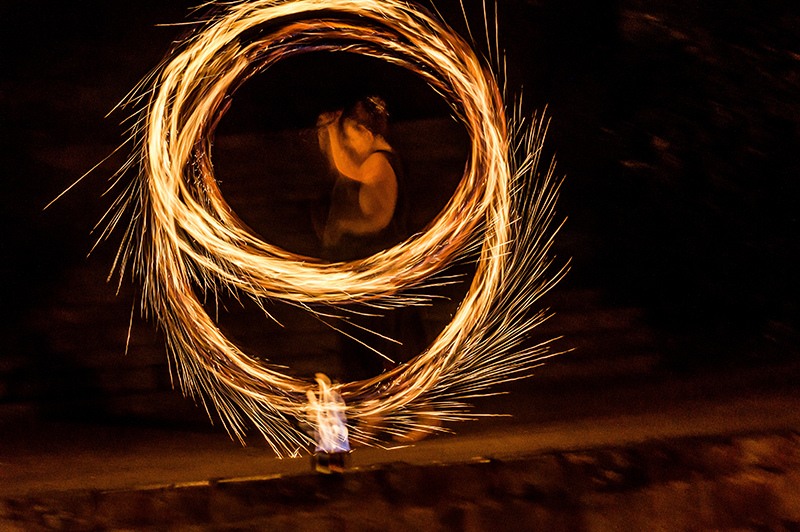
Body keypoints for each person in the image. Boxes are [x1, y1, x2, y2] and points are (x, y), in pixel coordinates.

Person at [314, 96, 406, 261]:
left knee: (340, 227)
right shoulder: (381, 156)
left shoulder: (379, 160)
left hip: (379, 233)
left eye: (352, 138)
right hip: (376, 231)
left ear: (367, 135)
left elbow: (347, 168)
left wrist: (333, 128)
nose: (349, 144)